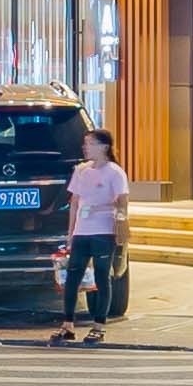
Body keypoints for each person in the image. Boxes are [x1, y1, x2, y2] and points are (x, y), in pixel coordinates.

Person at [58, 124, 130, 342]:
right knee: (72, 277)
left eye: (90, 143)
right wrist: (71, 233)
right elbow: (74, 203)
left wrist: (115, 220)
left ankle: (98, 326)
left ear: (104, 147)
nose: (85, 147)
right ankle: (67, 324)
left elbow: (122, 202)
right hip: (82, 231)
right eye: (85, 143)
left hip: (104, 231)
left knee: (101, 276)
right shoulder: (81, 170)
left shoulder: (115, 172)